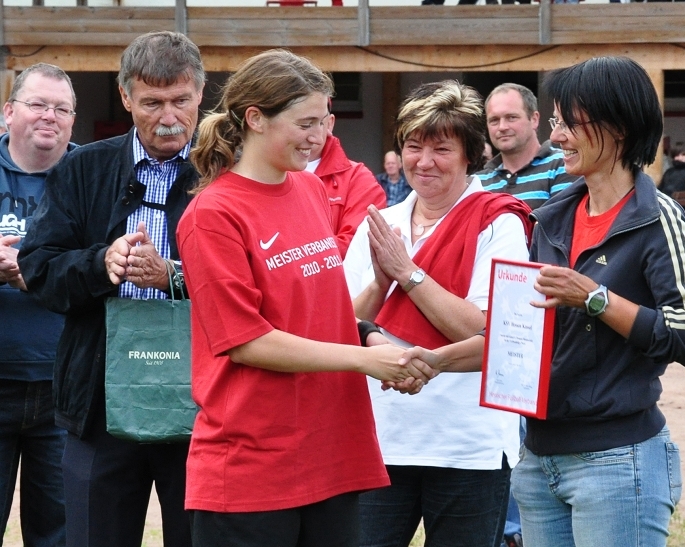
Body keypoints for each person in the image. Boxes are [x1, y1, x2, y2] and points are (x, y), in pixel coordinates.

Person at [398, 57, 685, 547]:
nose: (558, 137)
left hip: (617, 460)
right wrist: (435, 361)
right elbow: (517, 338)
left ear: (618, 128)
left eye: (570, 124)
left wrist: (594, 298)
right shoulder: (550, 220)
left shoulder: (657, 218)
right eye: (555, 122)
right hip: (538, 461)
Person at [179, 49, 428, 547]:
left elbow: (320, 314)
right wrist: (363, 361)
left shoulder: (310, 190)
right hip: (253, 469)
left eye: (325, 122)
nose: (320, 137)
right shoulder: (212, 214)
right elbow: (247, 341)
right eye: (306, 123)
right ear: (255, 118)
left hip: (331, 455)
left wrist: (373, 338)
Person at [18, 31, 205, 547]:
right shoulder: (84, 167)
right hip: (99, 403)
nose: (169, 118)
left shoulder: (225, 169)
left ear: (200, 93)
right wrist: (101, 264)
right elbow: (38, 269)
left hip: (202, 403)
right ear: (125, 97)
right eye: (152, 103)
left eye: (181, 101)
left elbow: (257, 281)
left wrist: (174, 276)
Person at [343, 80, 533, 547]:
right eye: (413, 146)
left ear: (471, 154)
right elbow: (341, 324)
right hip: (381, 438)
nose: (424, 161)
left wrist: (408, 274)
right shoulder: (381, 224)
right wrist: (380, 284)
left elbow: (488, 330)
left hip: (468, 444)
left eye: (441, 149)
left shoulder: (500, 223)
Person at [0, 62, 77, 547]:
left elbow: (108, 259)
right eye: (37, 104)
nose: (50, 116)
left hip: (65, 387)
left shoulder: (90, 174)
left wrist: (41, 271)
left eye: (61, 108)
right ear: (9, 112)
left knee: (60, 535)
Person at [305, 100, 386, 256]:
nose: (305, 133)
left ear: (329, 124)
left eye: (312, 122)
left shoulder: (358, 179)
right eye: (298, 123)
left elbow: (358, 249)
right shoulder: (260, 174)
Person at [478, 83, 576, 210]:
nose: (502, 127)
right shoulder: (478, 181)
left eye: (511, 117)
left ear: (534, 119)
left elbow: (560, 220)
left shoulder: (563, 164)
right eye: (494, 120)